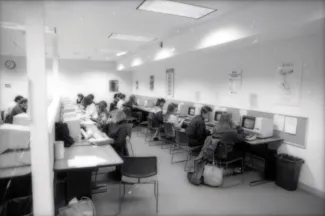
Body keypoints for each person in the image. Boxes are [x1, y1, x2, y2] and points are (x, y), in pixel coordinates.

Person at [108, 109, 130, 180]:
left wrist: (110, 141)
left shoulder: (123, 127)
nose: (111, 118)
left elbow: (119, 143)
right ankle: (117, 171)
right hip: (114, 147)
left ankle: (119, 174)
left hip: (119, 149)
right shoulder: (116, 124)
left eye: (112, 117)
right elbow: (110, 133)